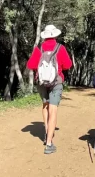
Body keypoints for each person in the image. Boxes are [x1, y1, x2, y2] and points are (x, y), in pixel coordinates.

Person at [27, 24, 72, 155]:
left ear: (45, 36)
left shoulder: (39, 48)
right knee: (53, 109)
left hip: (41, 82)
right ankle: (49, 143)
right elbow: (68, 65)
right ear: (56, 35)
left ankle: (47, 133)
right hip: (56, 82)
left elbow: (30, 65)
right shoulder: (60, 48)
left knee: (45, 106)